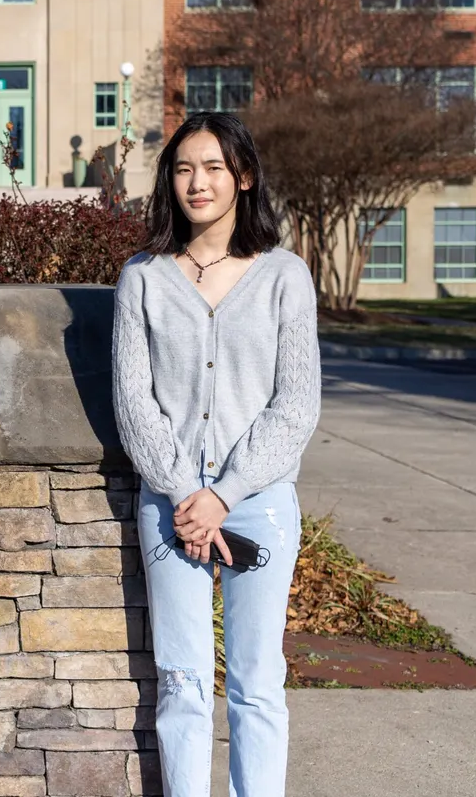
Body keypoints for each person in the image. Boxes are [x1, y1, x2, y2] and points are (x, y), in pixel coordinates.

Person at [111, 111, 321, 796]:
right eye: (182, 168)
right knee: (182, 680)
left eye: (212, 168)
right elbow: (134, 402)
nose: (196, 182)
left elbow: (295, 407)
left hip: (256, 503)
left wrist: (223, 493)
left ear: (244, 177)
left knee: (257, 683)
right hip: (170, 506)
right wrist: (182, 493)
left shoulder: (285, 276)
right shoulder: (142, 277)